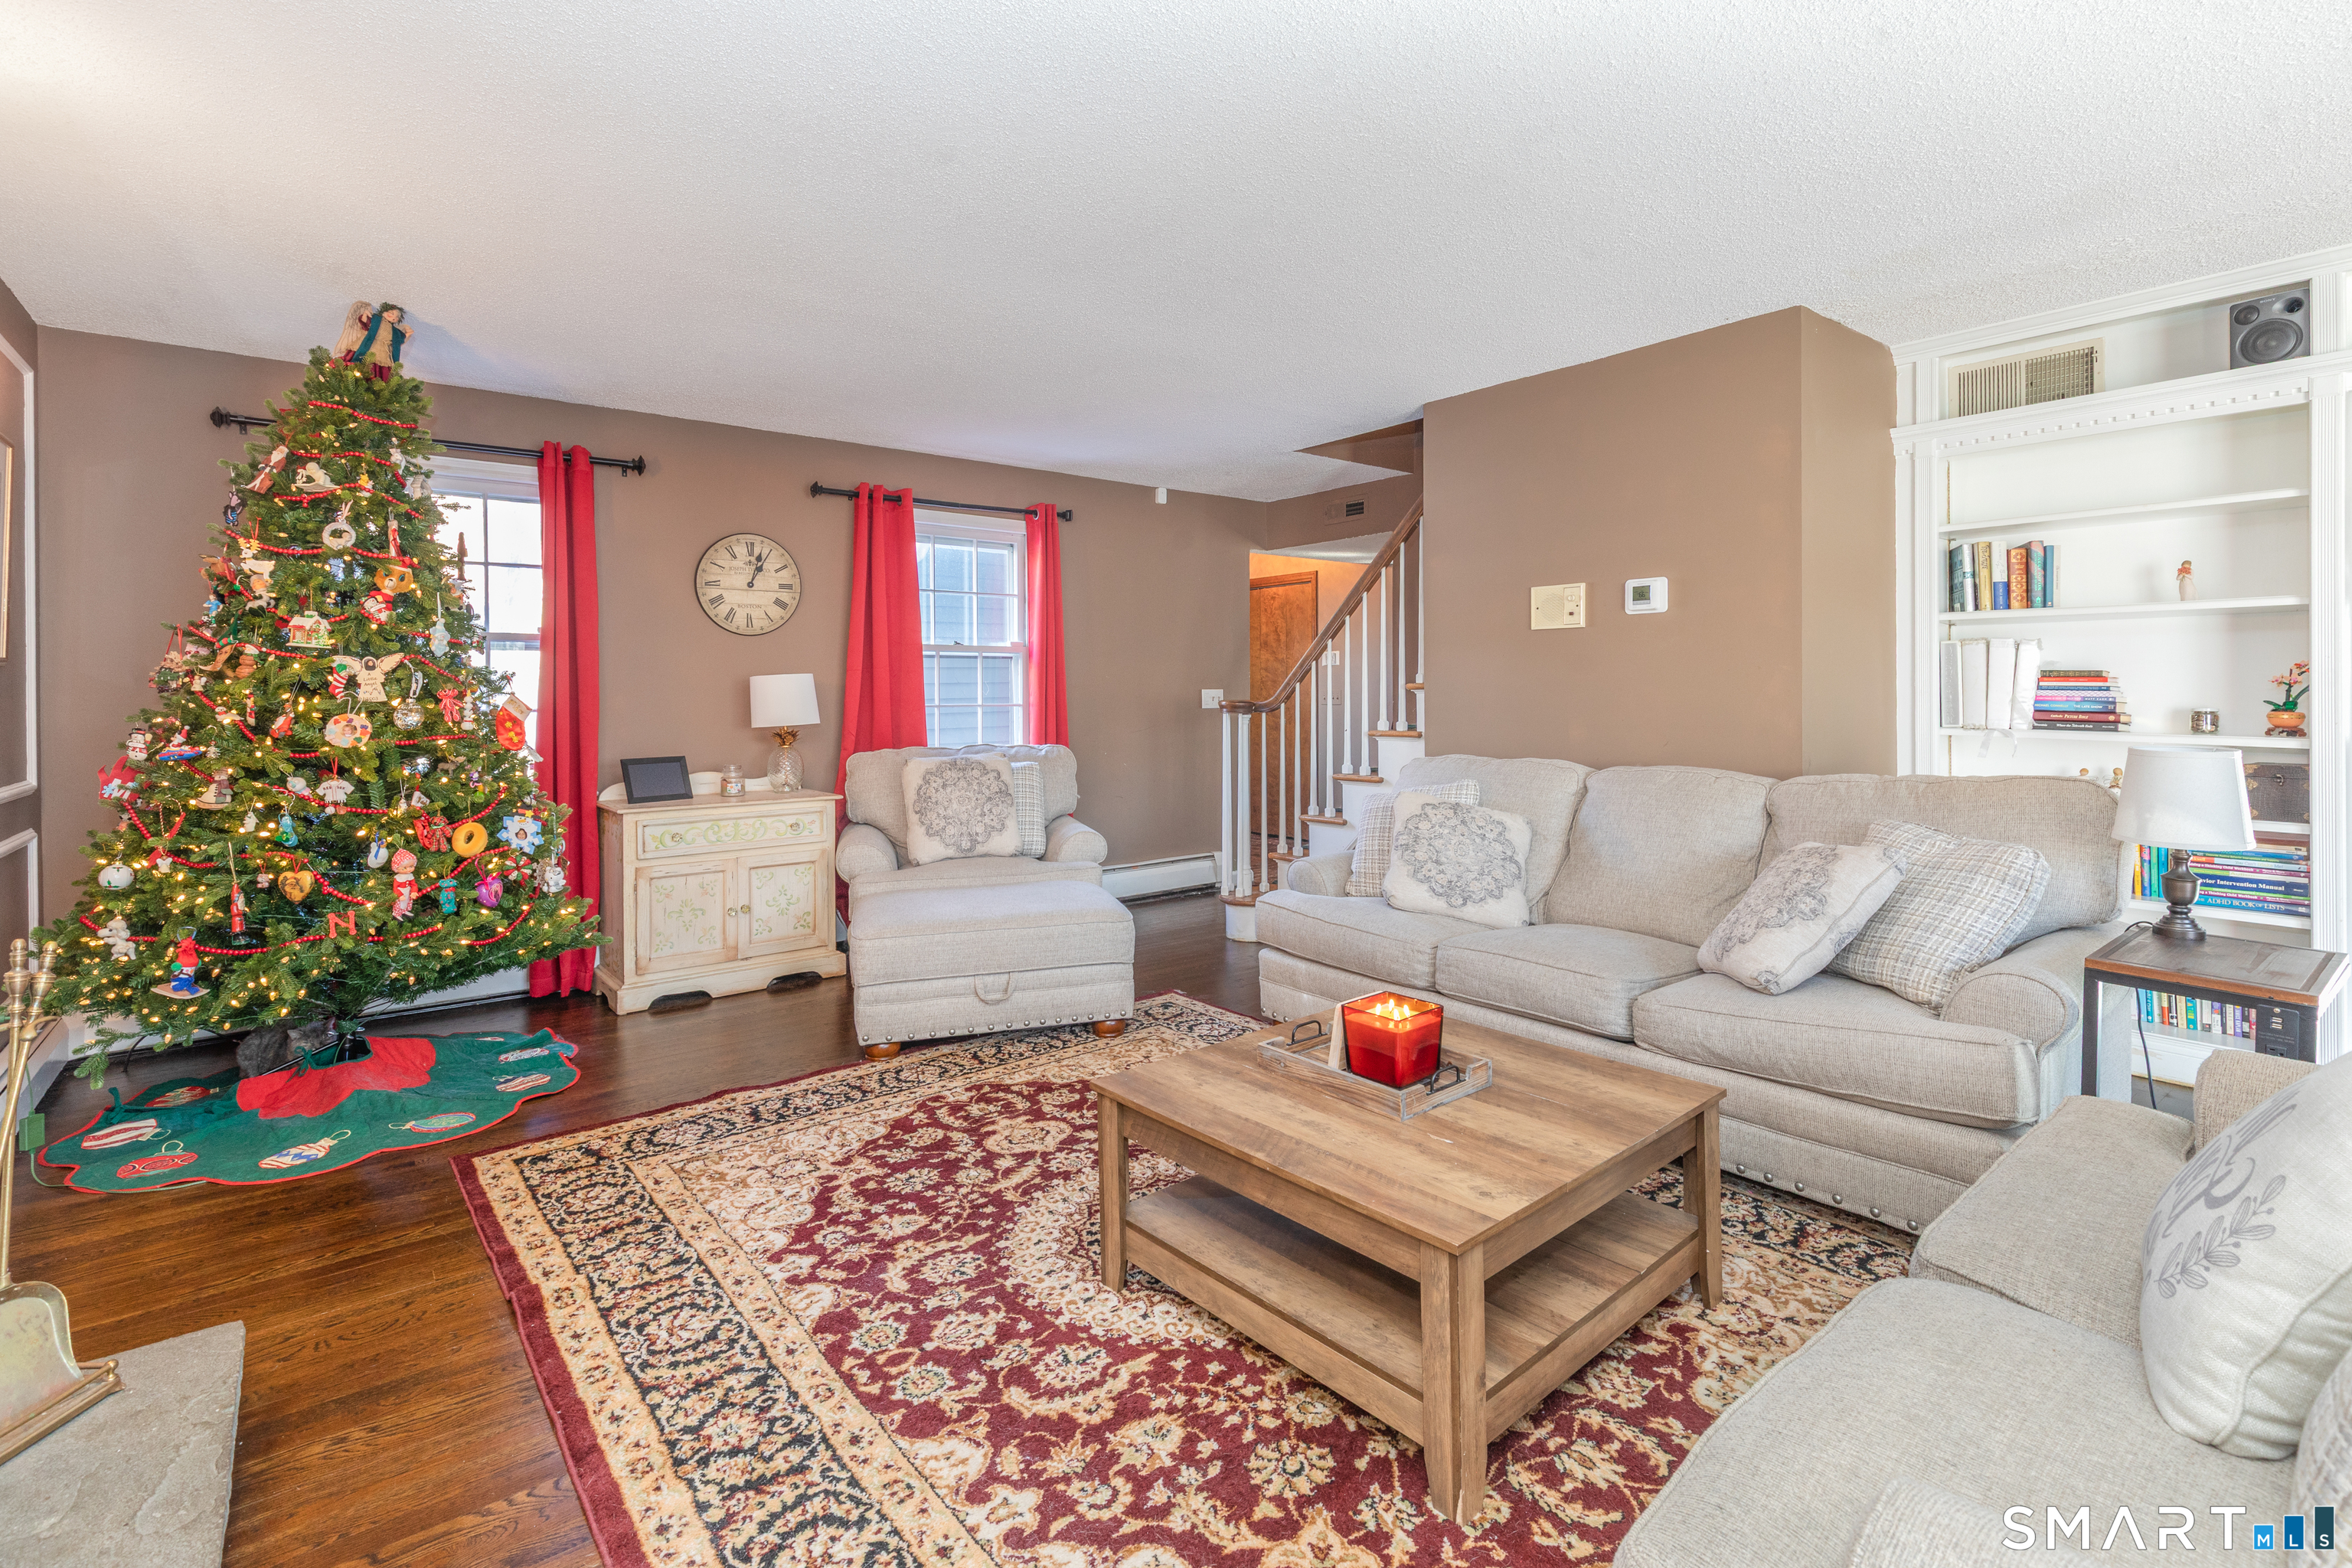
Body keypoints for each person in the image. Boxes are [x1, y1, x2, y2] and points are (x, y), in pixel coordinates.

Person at [334, 301, 410, 380]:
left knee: (377, 371)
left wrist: (407, 334)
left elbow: (398, 340)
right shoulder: (376, 320)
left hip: (382, 352)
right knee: (357, 364)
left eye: (397, 317)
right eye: (392, 313)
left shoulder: (394, 331)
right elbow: (365, 324)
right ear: (384, 312)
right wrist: (366, 314)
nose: (394, 317)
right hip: (366, 345)